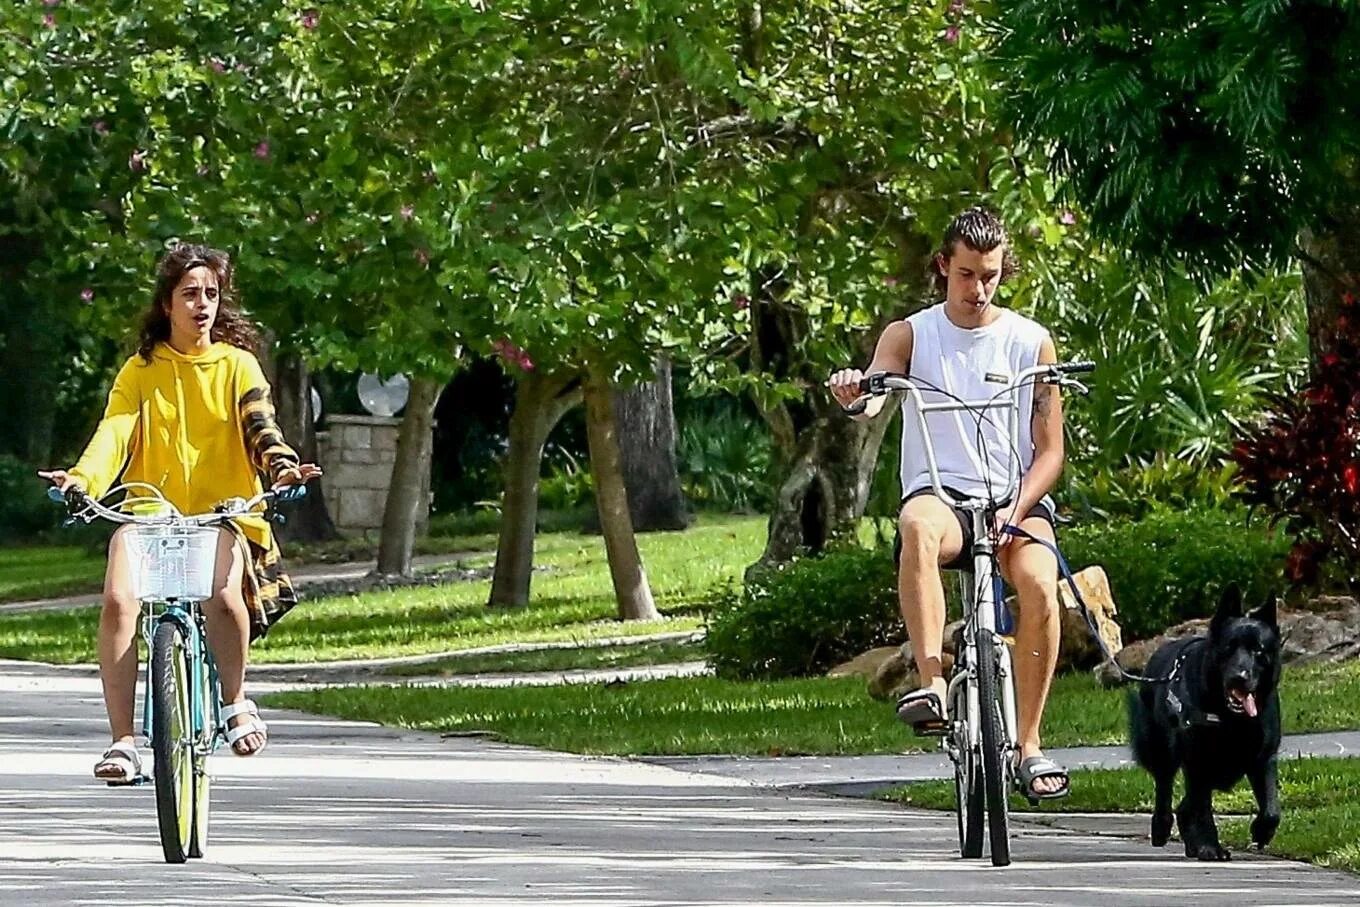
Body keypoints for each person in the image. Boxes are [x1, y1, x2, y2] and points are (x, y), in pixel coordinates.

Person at [39, 244, 321, 783]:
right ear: (167, 304)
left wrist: (282, 468)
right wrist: (82, 480)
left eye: (211, 294)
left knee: (220, 596)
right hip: (149, 513)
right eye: (189, 294)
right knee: (120, 601)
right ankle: (123, 741)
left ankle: (235, 700)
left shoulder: (238, 366)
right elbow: (113, 434)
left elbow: (261, 426)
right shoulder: (140, 371)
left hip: (223, 514)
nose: (202, 305)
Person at [827, 207, 1069, 800]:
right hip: (944, 499)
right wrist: (854, 393)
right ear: (943, 267)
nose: (977, 289)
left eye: (989, 275)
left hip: (1015, 500)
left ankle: (1030, 745)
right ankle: (933, 683)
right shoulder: (910, 334)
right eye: (966, 274)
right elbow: (876, 397)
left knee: (1039, 583)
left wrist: (1017, 513)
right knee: (916, 525)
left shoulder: (1031, 341)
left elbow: (1050, 451)